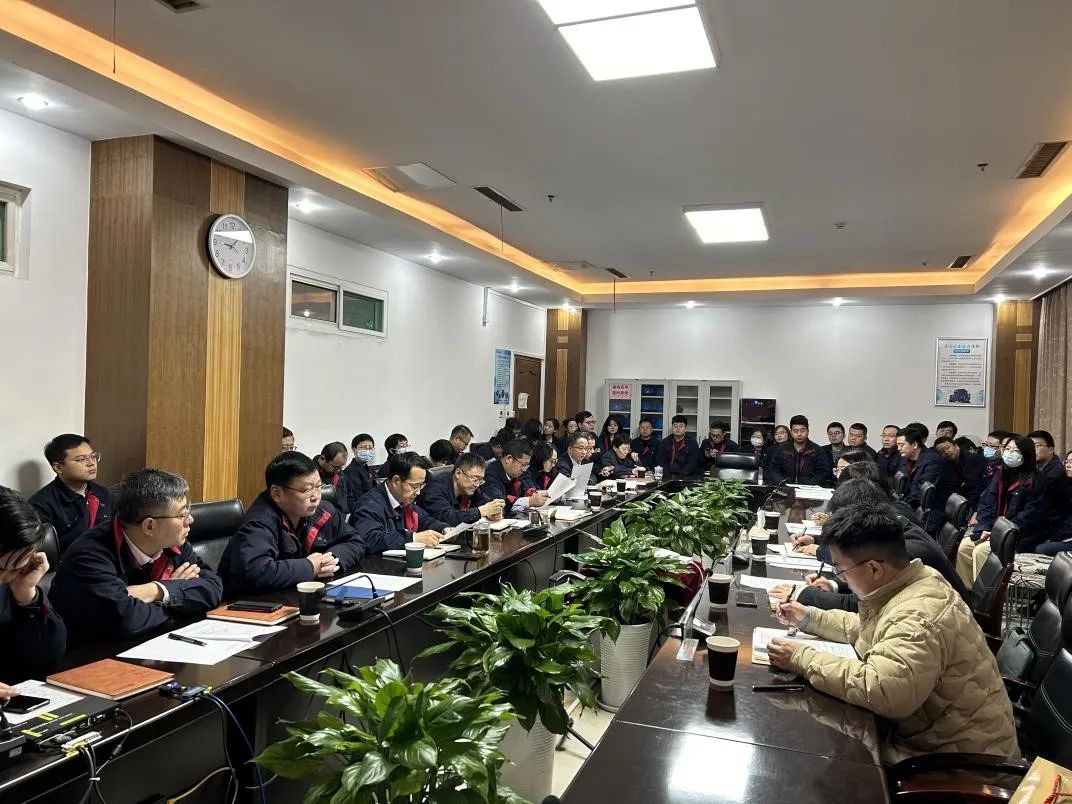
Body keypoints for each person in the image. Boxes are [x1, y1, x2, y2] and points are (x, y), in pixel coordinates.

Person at [767, 504, 1018, 765]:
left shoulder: (919, 616)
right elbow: (873, 630)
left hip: (959, 766)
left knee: (813, 756)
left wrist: (802, 658)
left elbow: (882, 689)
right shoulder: (916, 581)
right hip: (934, 741)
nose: (842, 579)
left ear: (874, 569)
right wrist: (808, 617)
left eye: (841, 570)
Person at [51, 468, 223, 645]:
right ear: (149, 526)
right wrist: (180, 600)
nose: (190, 520)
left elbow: (213, 588)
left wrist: (156, 590)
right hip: (93, 654)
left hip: (153, 642)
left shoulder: (173, 543)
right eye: (182, 514)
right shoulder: (89, 555)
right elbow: (126, 619)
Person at [773, 479, 969, 612]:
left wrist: (804, 595)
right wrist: (834, 583)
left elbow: (862, 604)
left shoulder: (906, 552)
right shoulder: (893, 528)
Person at [219, 453, 368, 597]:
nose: (316, 497)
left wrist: (333, 558)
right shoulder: (258, 523)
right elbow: (257, 573)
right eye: (307, 490)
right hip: (252, 604)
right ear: (277, 493)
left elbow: (355, 541)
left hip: (298, 595)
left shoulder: (322, 511)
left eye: (318, 486)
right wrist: (310, 567)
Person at [956, 436, 1046, 585]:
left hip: (1018, 534)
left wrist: (999, 532)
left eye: (1016, 451)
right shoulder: (1000, 473)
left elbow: (1030, 515)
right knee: (964, 547)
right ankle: (968, 591)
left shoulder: (1036, 480)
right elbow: (986, 503)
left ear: (1026, 454)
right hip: (993, 530)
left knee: (981, 551)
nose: (1010, 453)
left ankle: (986, 595)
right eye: (1008, 449)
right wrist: (984, 527)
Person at [0, 487, 66, 688]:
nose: (4, 578)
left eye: (15, 568)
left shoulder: (11, 584)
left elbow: (47, 661)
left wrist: (26, 595)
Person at [29, 433, 113, 554]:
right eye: (82, 459)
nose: (91, 463)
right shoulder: (41, 504)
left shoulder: (103, 493)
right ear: (58, 467)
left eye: (93, 456)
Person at [352, 452, 450, 554]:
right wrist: (412, 538)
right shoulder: (369, 505)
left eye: (421, 485)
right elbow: (371, 540)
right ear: (396, 481)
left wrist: (443, 529)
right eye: (415, 486)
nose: (418, 492)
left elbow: (424, 520)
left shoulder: (404, 499)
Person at [417, 453, 505, 526]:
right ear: (458, 473)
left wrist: (495, 512)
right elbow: (447, 518)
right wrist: (481, 511)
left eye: (480, 480)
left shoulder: (470, 487)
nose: (477, 485)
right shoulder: (435, 490)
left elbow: (486, 502)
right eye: (475, 479)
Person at [897, 424, 955, 532]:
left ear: (914, 444)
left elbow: (920, 493)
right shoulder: (905, 458)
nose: (898, 449)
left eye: (901, 445)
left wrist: (898, 507)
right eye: (897, 445)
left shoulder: (933, 462)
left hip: (931, 511)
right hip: (911, 506)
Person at [482, 440, 550, 516]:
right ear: (508, 459)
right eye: (523, 465)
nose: (524, 469)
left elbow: (528, 489)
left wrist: (536, 495)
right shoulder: (489, 475)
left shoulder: (517, 472)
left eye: (527, 465)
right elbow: (498, 505)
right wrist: (529, 501)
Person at [766, 415, 831, 486]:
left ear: (808, 431)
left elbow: (823, 471)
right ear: (791, 432)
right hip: (785, 487)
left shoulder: (817, 450)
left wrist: (810, 484)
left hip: (809, 488)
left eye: (802, 431)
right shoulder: (781, 449)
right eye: (795, 431)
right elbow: (774, 468)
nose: (799, 434)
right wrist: (782, 482)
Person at [1028, 429, 1069, 537]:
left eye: (1037, 446)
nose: (1032, 450)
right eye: (1030, 446)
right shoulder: (1034, 469)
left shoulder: (1054, 473)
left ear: (1051, 449)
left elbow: (1039, 508)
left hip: (1051, 529)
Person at [1034, 451, 1072, 556]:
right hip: (1063, 533)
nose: (1068, 465)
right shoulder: (1066, 483)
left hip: (1067, 536)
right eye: (1067, 462)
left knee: (1042, 549)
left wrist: (1054, 537)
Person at [932, 436, 986, 508]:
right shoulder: (947, 462)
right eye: (942, 451)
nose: (946, 452)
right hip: (959, 499)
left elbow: (971, 486)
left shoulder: (972, 458)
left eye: (948, 447)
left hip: (974, 500)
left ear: (956, 446)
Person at [657, 415, 702, 480]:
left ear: (685, 428)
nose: (678, 428)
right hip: (667, 477)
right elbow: (661, 461)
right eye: (675, 426)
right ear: (672, 427)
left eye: (681, 426)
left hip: (686, 477)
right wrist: (668, 475)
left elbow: (692, 464)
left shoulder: (692, 443)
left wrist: (680, 476)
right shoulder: (665, 442)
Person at [315, 442, 352, 517]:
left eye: (341, 467)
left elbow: (347, 495)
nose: (338, 470)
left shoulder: (338, 471)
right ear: (323, 458)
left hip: (342, 515)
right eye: (335, 467)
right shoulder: (310, 474)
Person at [343, 433, 378, 509]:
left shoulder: (367, 468)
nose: (368, 451)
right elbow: (358, 497)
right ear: (354, 449)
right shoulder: (350, 471)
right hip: (362, 508)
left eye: (370, 448)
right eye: (363, 448)